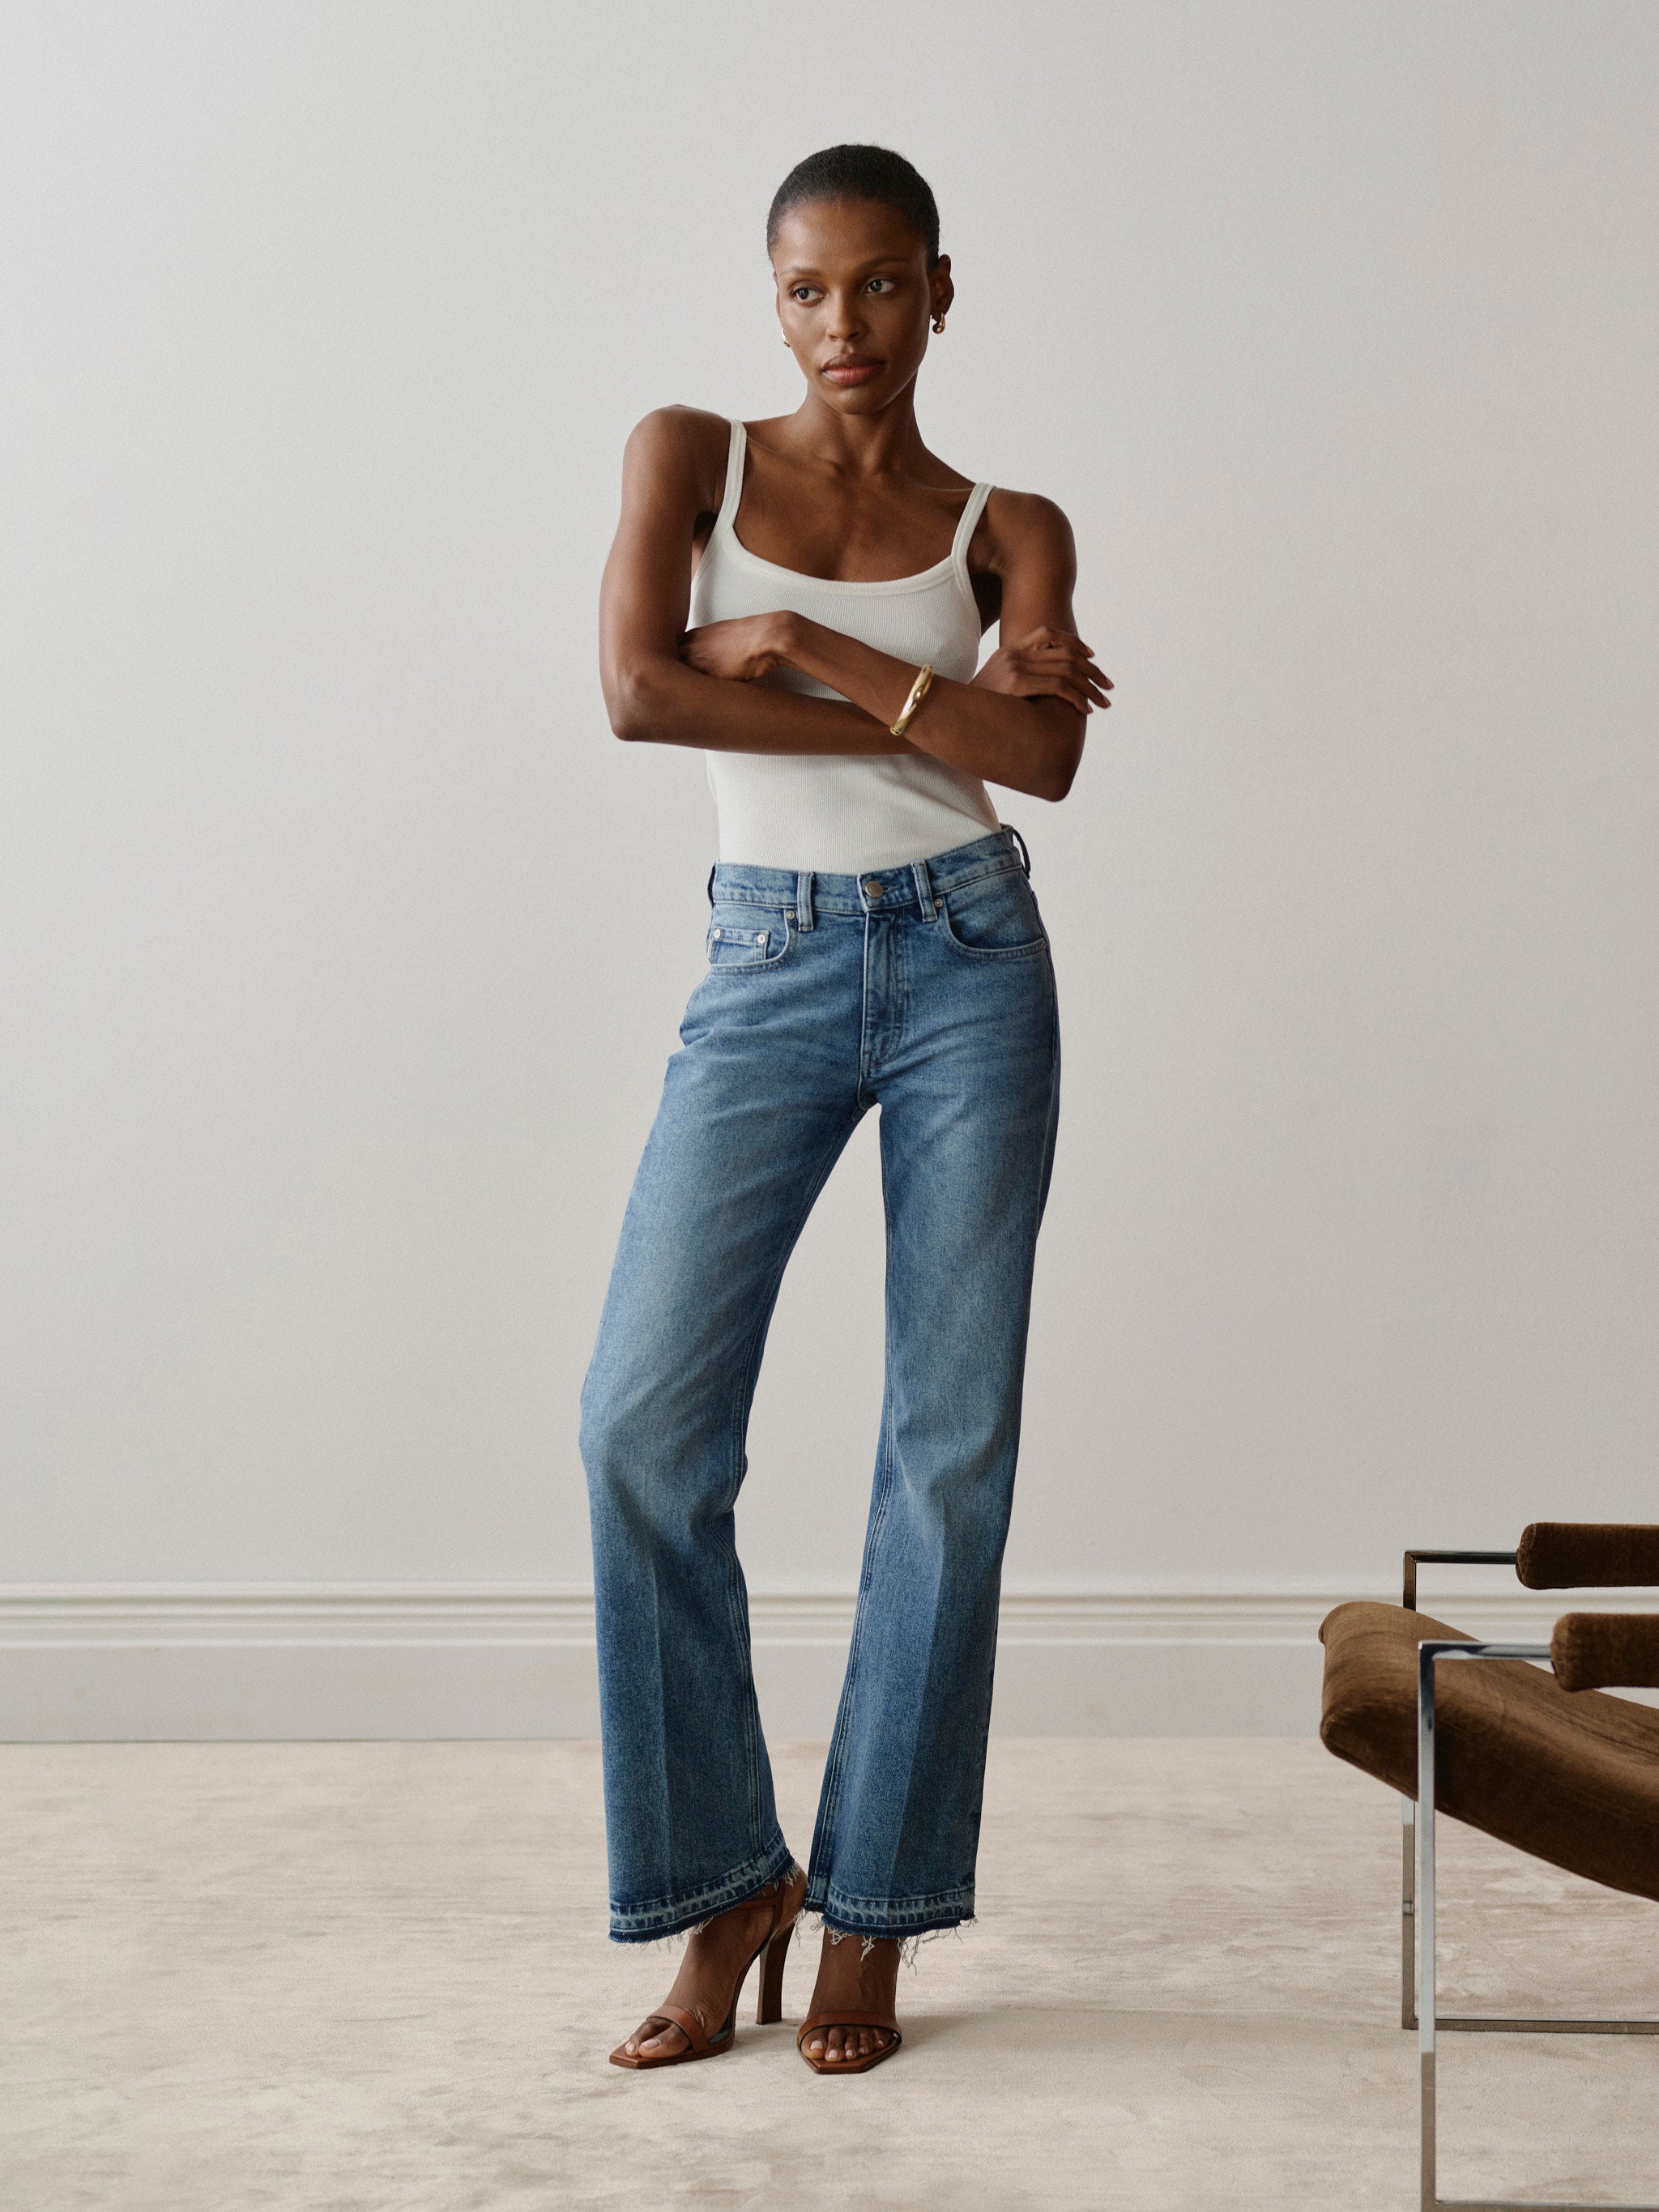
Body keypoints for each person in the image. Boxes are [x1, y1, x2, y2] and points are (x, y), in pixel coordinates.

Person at [582, 143, 1109, 2074]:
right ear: (773, 300)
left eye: (881, 284)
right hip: (768, 961)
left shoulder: (1009, 523)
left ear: (939, 291)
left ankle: (872, 1908)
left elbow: (1038, 758)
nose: (843, 325)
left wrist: (805, 644)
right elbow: (640, 692)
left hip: (973, 962)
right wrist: (926, 700)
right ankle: (728, 1884)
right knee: (639, 1429)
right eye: (807, 289)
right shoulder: (690, 459)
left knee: (944, 1451)